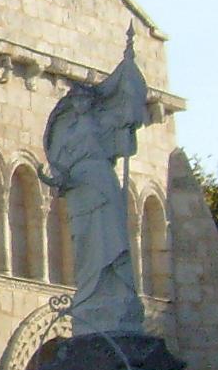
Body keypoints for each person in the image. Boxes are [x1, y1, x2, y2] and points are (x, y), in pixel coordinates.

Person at [42, 31, 149, 337]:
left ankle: (115, 293)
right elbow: (60, 167)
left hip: (101, 182)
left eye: (85, 98)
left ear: (93, 101)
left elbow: (125, 124)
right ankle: (90, 297)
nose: (80, 103)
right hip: (79, 190)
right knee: (85, 241)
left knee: (110, 235)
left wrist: (127, 70)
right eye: (76, 98)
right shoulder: (65, 132)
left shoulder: (103, 123)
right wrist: (56, 178)